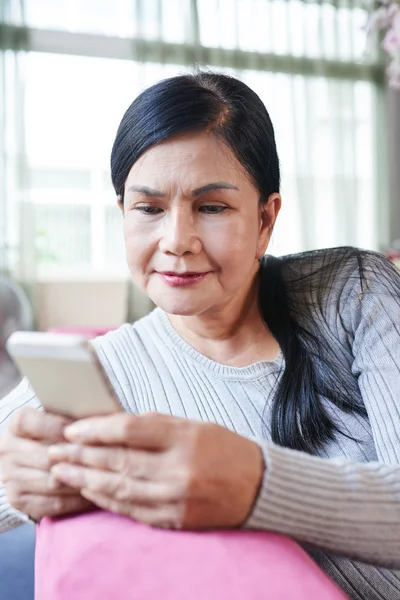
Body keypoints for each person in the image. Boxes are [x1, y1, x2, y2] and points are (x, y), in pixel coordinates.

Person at [0, 72, 400, 600]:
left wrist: (254, 483)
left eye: (211, 207)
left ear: (265, 218)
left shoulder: (353, 292)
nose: (176, 241)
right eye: (148, 209)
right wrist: (17, 472)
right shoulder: (104, 368)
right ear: (123, 214)